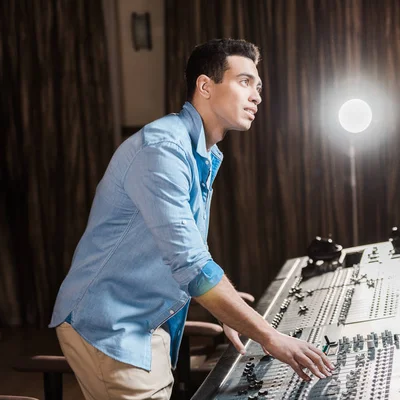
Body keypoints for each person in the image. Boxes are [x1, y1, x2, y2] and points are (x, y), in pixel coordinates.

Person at [49, 38, 334, 399]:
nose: (257, 96)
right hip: (112, 325)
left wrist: (229, 313)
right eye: (245, 81)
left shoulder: (201, 152)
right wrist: (269, 335)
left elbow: (186, 249)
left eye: (259, 86)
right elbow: (192, 266)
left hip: (142, 321)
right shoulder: (164, 149)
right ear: (205, 86)